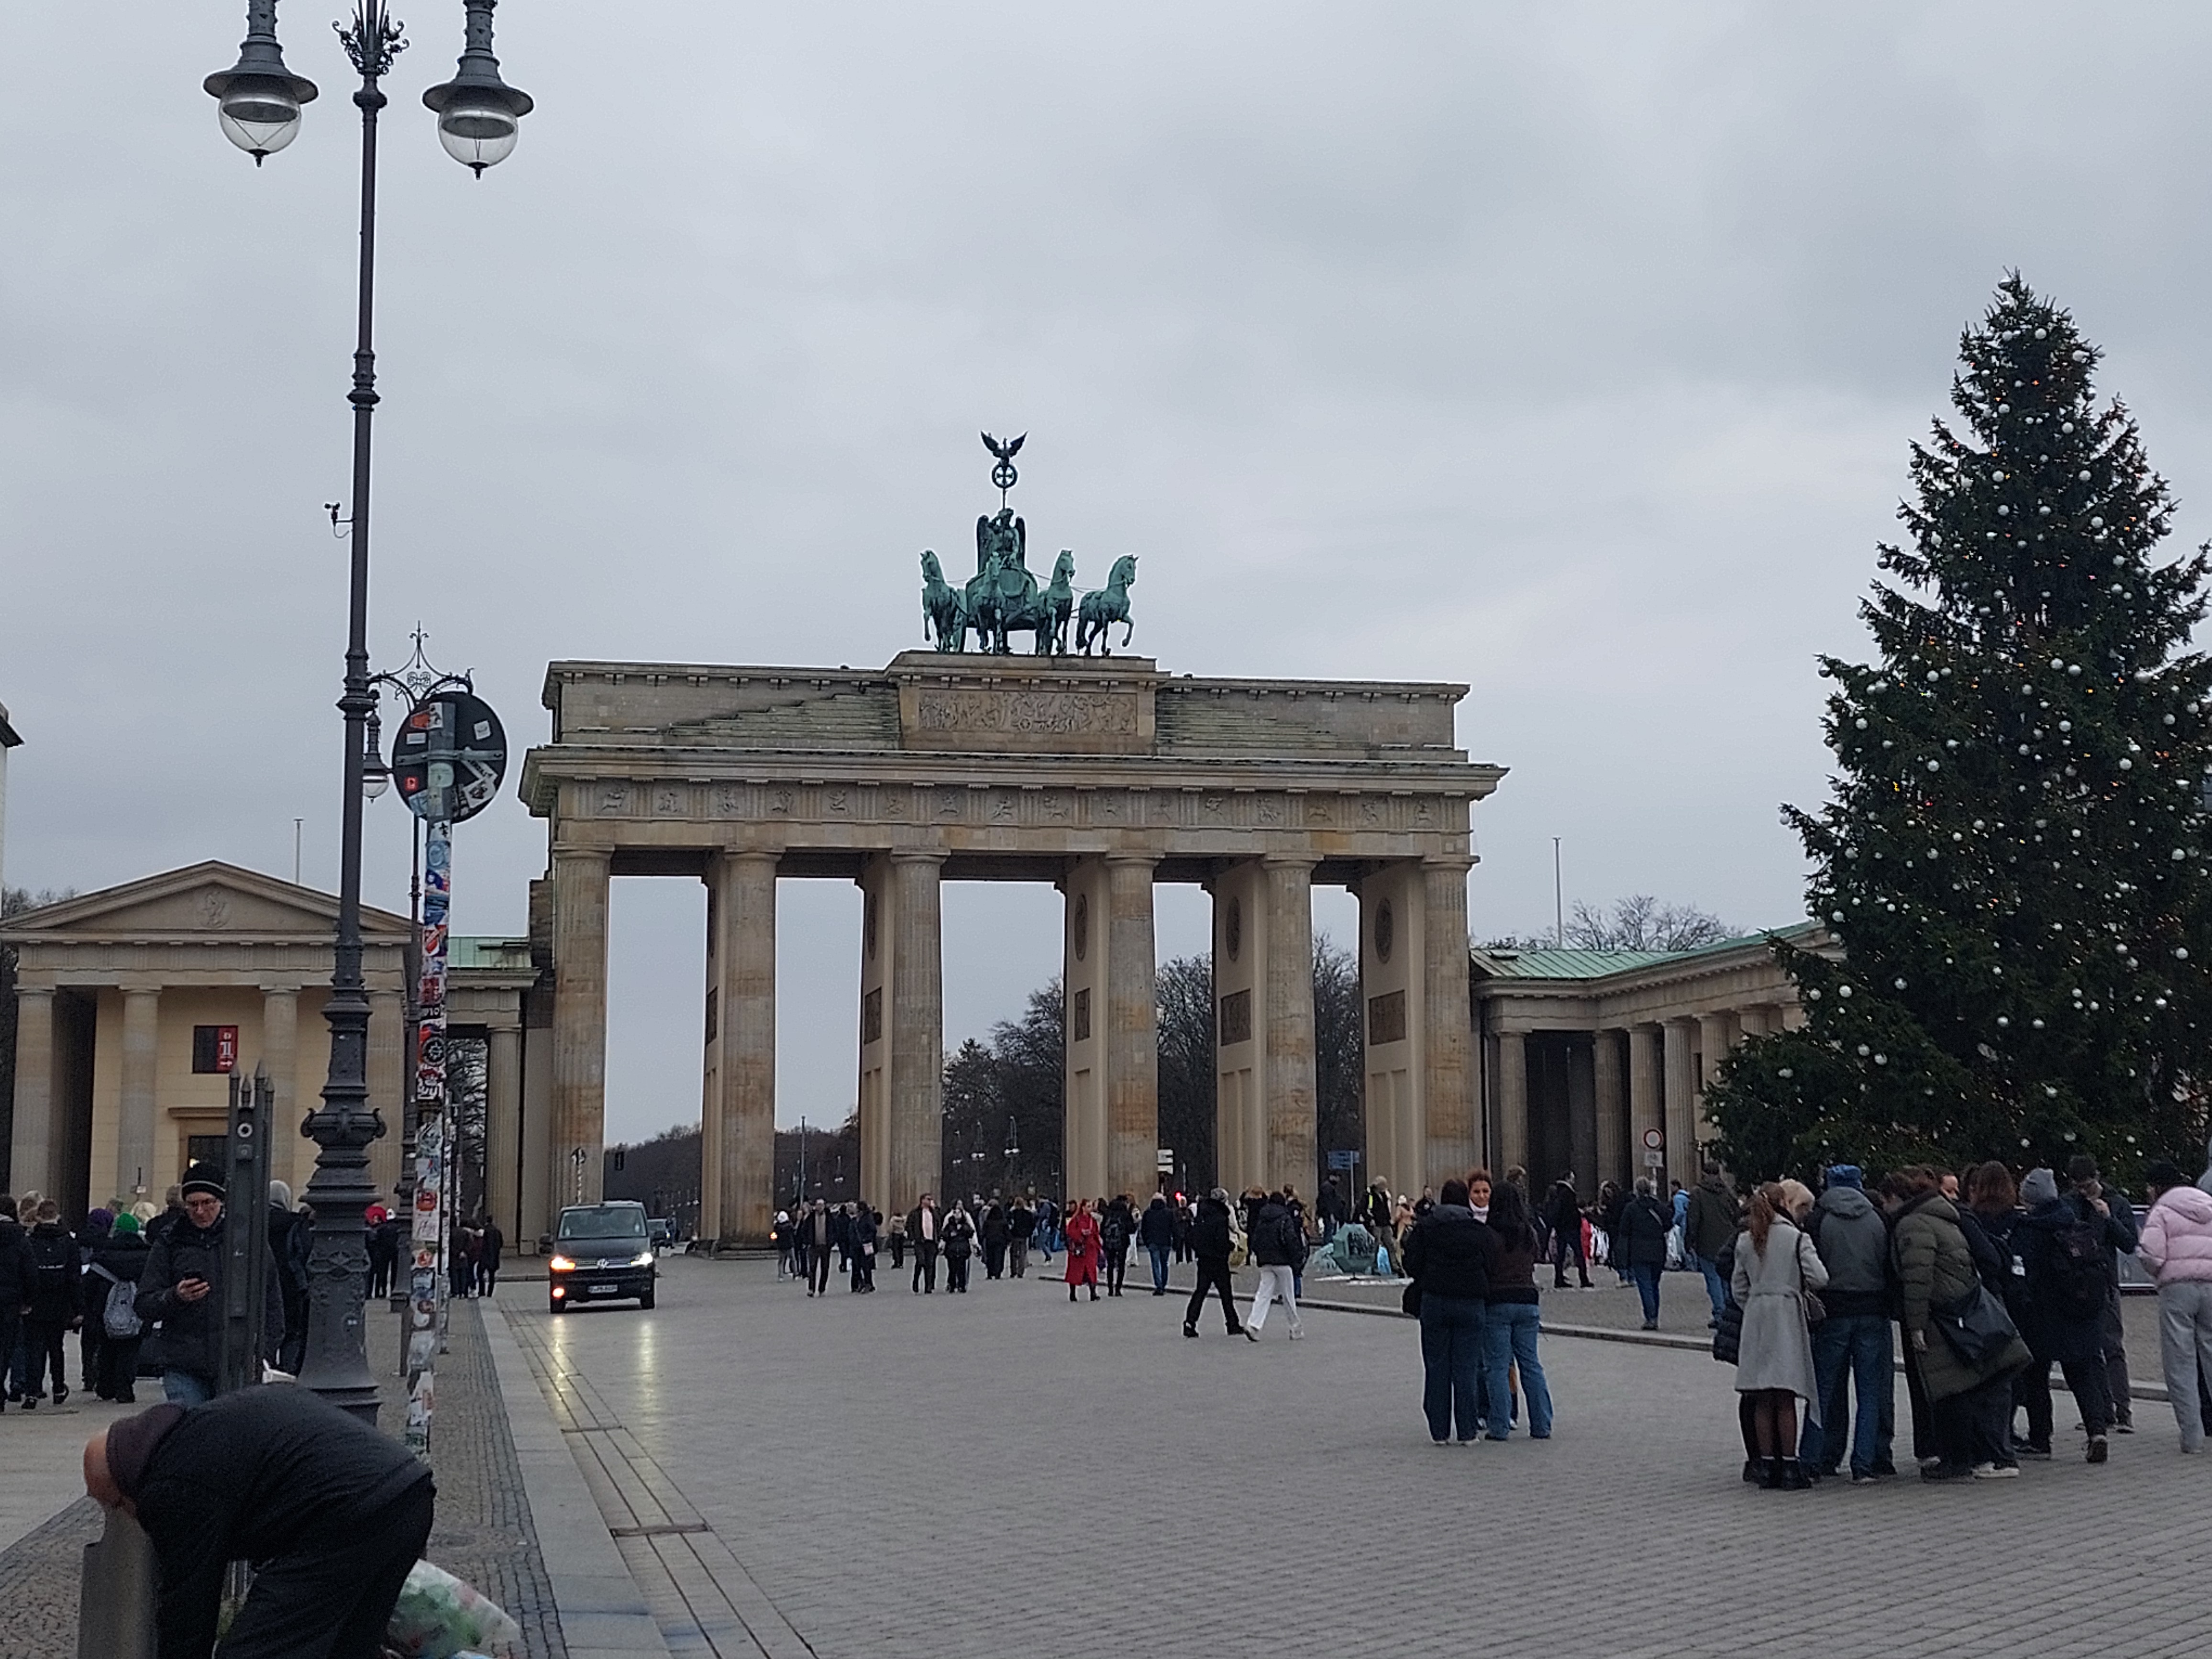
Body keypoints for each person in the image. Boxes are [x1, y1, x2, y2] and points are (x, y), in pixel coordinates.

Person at [84, 1386, 435, 1659]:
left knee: (253, 1652)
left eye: (117, 1503)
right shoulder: (200, 1430)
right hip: (407, 1493)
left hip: (350, 1513)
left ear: (127, 1480)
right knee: (346, 1649)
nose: (125, 1514)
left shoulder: (172, 1485)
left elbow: (189, 1605)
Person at [1891, 1165, 2031, 1479]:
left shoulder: (1916, 1224)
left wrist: (1915, 1325)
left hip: (1949, 1314)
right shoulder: (1948, 1218)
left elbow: (1918, 1279)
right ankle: (1985, 1455)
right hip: (1968, 1309)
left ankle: (1976, 1457)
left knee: (1959, 1390)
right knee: (1978, 1387)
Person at [135, 1165, 278, 1405]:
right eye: (192, 1205)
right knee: (190, 1424)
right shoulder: (170, 1241)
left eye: (207, 1203)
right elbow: (144, 1303)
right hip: (184, 1363)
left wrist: (265, 1353)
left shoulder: (246, 1240)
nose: (200, 1211)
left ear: (221, 1202)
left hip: (236, 1361)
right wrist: (175, 1296)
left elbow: (272, 1302)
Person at [2017, 1164, 2123, 1463]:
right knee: (2083, 1375)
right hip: (2083, 1312)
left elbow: (2023, 1273)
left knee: (2036, 1377)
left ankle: (2041, 1440)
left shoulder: (2030, 1230)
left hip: (2044, 1315)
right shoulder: (2075, 1223)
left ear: (2030, 1199)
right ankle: (2097, 1432)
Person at [1730, 1181, 1828, 1488]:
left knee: (1762, 1395)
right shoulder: (1796, 1238)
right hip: (1786, 1314)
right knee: (1785, 1395)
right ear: (1783, 1204)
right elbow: (1820, 1277)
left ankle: (1767, 1466)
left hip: (1757, 1316)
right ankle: (1789, 1466)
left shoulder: (1746, 1240)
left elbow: (1738, 1288)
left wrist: (1756, 1302)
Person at [1802, 1164, 1893, 1483]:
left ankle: (1814, 1460)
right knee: (1870, 1391)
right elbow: (1888, 1265)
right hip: (1873, 1309)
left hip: (1833, 1311)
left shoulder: (1818, 1218)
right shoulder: (1878, 1218)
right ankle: (1864, 1464)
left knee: (1824, 1390)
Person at [1402, 1177, 1495, 1444]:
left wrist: (1427, 1276)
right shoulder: (1477, 1230)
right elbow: (1492, 1263)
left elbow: (1411, 1262)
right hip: (1471, 1303)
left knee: (1436, 1366)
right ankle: (1467, 1431)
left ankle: (1439, 1431)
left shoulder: (1426, 1227)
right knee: (1466, 1368)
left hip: (1435, 1301)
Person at [2138, 1158, 2212, 1452]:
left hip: (2177, 1289)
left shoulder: (2162, 1211)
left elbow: (2151, 1254)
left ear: (2158, 1187)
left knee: (2180, 1363)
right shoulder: (2208, 1204)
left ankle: (2192, 1438)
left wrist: (2158, 1273)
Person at [1482, 1178, 1552, 1441]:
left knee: (1498, 1367)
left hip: (1498, 1301)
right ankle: (1542, 1424)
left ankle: (1500, 1426)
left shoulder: (1489, 1235)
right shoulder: (1529, 1233)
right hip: (1527, 1299)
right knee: (1531, 1364)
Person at [85, 1211, 150, 1403]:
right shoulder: (147, 1257)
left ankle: (105, 1387)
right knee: (130, 1350)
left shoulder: (103, 1257)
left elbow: (88, 1287)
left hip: (104, 1311)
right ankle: (125, 1389)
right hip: (137, 1311)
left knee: (107, 1348)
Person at [22, 1197, 79, 1408]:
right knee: (57, 1348)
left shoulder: (30, 1241)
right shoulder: (68, 1242)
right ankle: (58, 1388)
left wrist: (25, 1300)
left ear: (38, 1217)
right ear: (57, 1216)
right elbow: (74, 1278)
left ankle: (32, 1393)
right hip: (59, 1301)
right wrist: (78, 1308)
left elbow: (25, 1274)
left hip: (35, 1302)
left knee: (34, 1349)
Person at [1684, 1160, 1741, 1329]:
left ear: (1704, 1173)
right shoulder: (1728, 1192)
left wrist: (1689, 1240)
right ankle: (1728, 1312)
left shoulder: (1697, 1193)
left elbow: (1693, 1219)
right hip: (1728, 1241)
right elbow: (1737, 1216)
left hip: (1706, 1242)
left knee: (1712, 1279)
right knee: (1726, 1280)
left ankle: (1719, 1312)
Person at [1244, 1189, 1305, 1341]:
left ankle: (1253, 1325)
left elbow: (1255, 1239)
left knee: (1263, 1294)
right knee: (1288, 1296)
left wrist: (1259, 1255)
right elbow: (1291, 1240)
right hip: (1283, 1262)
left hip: (1266, 1262)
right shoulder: (1284, 1218)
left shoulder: (1262, 1217)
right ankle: (1295, 1328)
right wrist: (1297, 1257)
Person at [1183, 1188, 1243, 1337]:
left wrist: (1199, 1250)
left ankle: (1190, 1322)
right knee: (1226, 1294)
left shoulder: (1201, 1214)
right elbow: (1221, 1241)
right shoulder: (1221, 1217)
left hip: (1204, 1259)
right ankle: (1232, 1324)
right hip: (1218, 1260)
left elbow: (1193, 1236)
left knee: (1200, 1292)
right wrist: (1230, 1246)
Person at [1617, 1179, 1672, 1330]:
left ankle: (1651, 1317)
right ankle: (1655, 1316)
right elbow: (1669, 1223)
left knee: (1645, 1285)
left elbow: (1624, 1230)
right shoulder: (1659, 1206)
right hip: (1658, 1249)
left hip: (1639, 1250)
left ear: (1637, 1190)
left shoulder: (1631, 1208)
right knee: (1654, 1285)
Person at [1544, 1172, 1592, 1290]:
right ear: (1567, 1179)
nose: (1574, 1181)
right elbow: (1570, 1211)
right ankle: (1584, 1279)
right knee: (1579, 1254)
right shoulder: (1568, 1193)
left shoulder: (1559, 1191)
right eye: (1572, 1178)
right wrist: (1578, 1218)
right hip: (1571, 1228)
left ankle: (1559, 1278)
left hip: (1561, 1228)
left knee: (1561, 1255)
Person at [1064, 1198, 1101, 1303]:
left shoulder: (1092, 1220)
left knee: (1091, 1271)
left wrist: (1098, 1247)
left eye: (1091, 1206)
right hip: (1078, 1249)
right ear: (1083, 1208)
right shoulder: (1076, 1220)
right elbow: (1070, 1232)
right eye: (1089, 1206)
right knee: (1075, 1272)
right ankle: (1072, 1293)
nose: (1091, 1209)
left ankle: (1093, 1293)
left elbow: (1096, 1234)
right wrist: (1081, 1233)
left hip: (1090, 1249)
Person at [1139, 1194, 1175, 1295]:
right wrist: (1175, 1241)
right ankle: (1164, 1284)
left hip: (1153, 1241)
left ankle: (1159, 1285)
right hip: (1165, 1241)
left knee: (1155, 1264)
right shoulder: (1169, 1213)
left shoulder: (1148, 1213)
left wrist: (1146, 1241)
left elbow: (1144, 1229)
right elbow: (1174, 1228)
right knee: (1165, 1264)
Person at [1100, 1196, 1133, 1296]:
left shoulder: (1108, 1214)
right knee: (1121, 1266)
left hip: (1109, 1243)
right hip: (1122, 1243)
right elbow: (1131, 1229)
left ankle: (1110, 1288)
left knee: (1110, 1266)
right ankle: (1118, 1288)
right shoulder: (1125, 1214)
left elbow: (1102, 1230)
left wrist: (1106, 1239)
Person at [1362, 1180, 1397, 1276]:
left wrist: (1389, 1220)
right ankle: (1374, 1267)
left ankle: (1395, 1266)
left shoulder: (1383, 1195)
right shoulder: (1370, 1195)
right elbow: (1367, 1208)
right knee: (1376, 1246)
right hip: (1376, 1223)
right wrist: (1370, 1219)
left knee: (1390, 1245)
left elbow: (1386, 1208)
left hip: (1385, 1223)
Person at [907, 1194, 941, 1293]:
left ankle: (928, 1286)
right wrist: (913, 1238)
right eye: (928, 1199)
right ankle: (916, 1280)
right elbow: (909, 1226)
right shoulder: (915, 1213)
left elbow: (938, 1225)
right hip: (920, 1241)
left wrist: (938, 1238)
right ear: (922, 1200)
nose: (930, 1201)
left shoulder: (934, 1213)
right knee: (921, 1261)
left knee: (930, 1264)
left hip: (932, 1241)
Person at [940, 1201, 974, 1293]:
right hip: (952, 1249)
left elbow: (971, 1232)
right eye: (955, 1213)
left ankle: (962, 1285)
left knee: (962, 1269)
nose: (957, 1215)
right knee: (952, 1269)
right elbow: (943, 1234)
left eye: (959, 1213)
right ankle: (952, 1285)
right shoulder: (950, 1224)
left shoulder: (965, 1224)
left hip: (963, 1249)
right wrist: (950, 1235)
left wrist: (963, 1228)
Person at [804, 1200, 833, 1297]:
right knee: (812, 1268)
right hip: (814, 1246)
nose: (820, 1207)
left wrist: (831, 1242)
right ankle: (811, 1289)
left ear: (824, 1206)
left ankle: (822, 1288)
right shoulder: (811, 1217)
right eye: (818, 1205)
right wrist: (807, 1241)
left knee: (825, 1268)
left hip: (825, 1246)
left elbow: (834, 1230)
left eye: (822, 1205)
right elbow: (805, 1230)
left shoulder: (829, 1217)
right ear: (815, 1206)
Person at [850, 1202, 879, 1292]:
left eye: (856, 1208)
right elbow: (851, 1231)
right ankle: (861, 1283)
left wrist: (866, 1239)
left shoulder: (868, 1218)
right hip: (856, 1246)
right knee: (856, 1266)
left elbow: (873, 1230)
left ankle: (868, 1284)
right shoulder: (854, 1219)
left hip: (866, 1245)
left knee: (866, 1266)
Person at [980, 1201, 1009, 1280]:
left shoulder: (988, 1222)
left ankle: (990, 1272)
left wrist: (982, 1239)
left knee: (990, 1257)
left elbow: (984, 1232)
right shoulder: (1003, 1222)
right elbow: (1007, 1232)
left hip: (990, 1240)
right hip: (1001, 1241)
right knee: (999, 1257)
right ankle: (998, 1273)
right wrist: (1008, 1240)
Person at [1006, 1197, 1034, 1278]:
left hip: (1015, 1235)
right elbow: (1032, 1224)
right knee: (1022, 1254)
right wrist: (1029, 1232)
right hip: (1024, 1236)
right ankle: (1021, 1272)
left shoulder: (1013, 1213)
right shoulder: (1028, 1213)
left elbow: (1008, 1223)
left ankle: (1013, 1271)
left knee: (1014, 1254)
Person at [1317, 1177, 1345, 1241]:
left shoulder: (1327, 1187)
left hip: (1328, 1214)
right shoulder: (1328, 1188)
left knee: (1329, 1232)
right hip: (1328, 1214)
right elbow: (1329, 1202)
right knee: (1329, 1232)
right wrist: (1331, 1214)